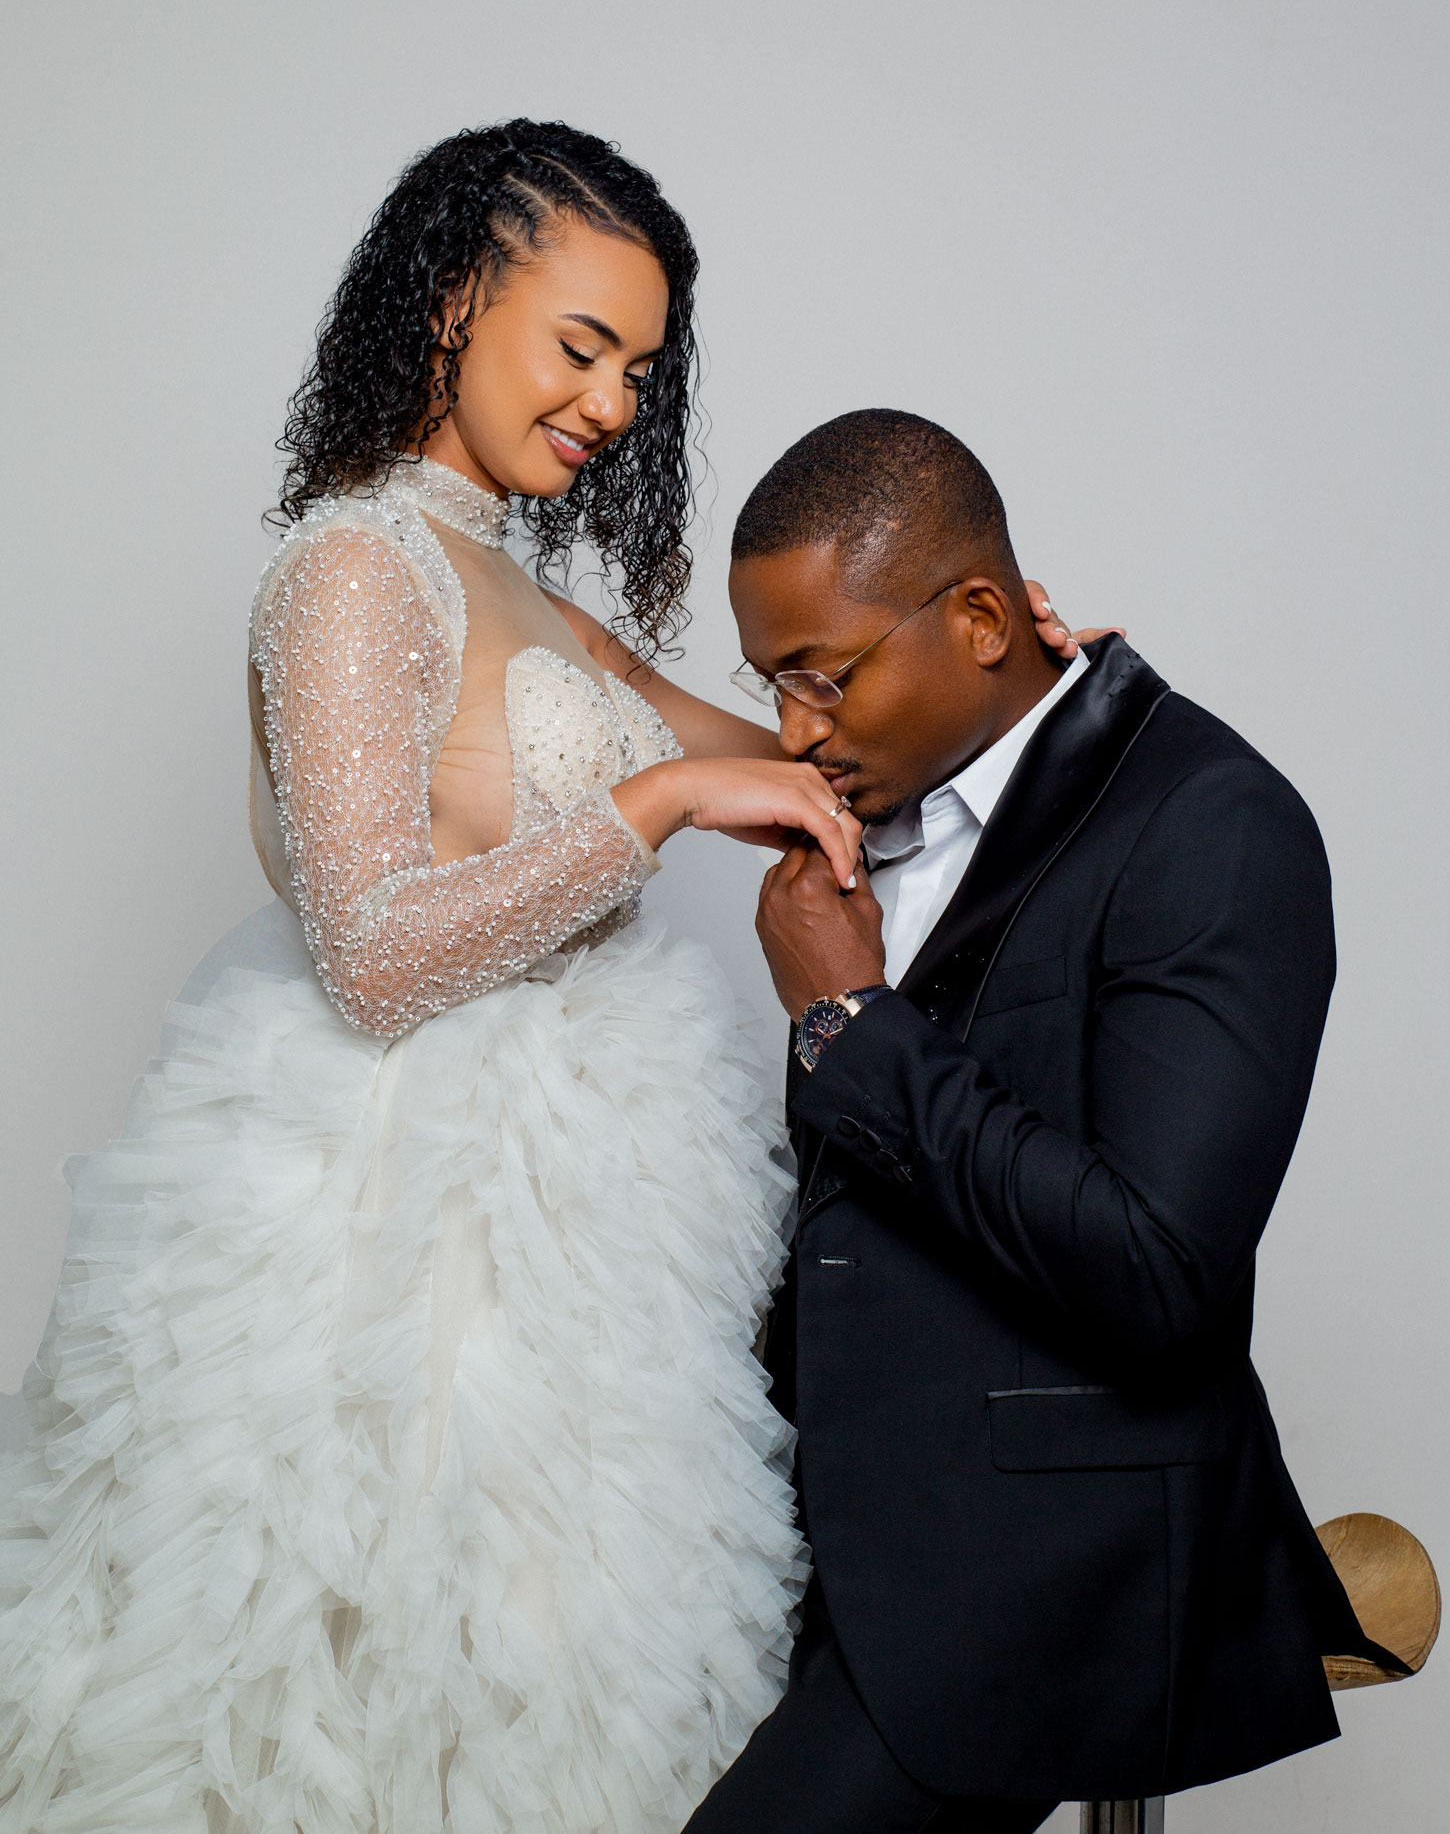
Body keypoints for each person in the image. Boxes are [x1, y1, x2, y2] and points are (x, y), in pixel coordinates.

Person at [0, 121, 905, 1834]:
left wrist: (1008, 675)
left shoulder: (518, 582)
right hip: (395, 1228)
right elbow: (371, 950)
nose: (613, 403)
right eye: (583, 346)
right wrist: (653, 802)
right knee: (364, 1688)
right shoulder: (353, 565)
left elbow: (807, 768)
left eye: (640, 371)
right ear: (450, 301)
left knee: (562, 1671)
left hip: (572, 1210)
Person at [687, 410, 1390, 1833]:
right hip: (806, 1532)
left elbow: (1158, 1273)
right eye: (773, 686)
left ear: (981, 620)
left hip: (1027, 1570)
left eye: (823, 679)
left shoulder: (1211, 821)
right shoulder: (883, 797)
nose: (797, 731)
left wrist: (848, 1023)